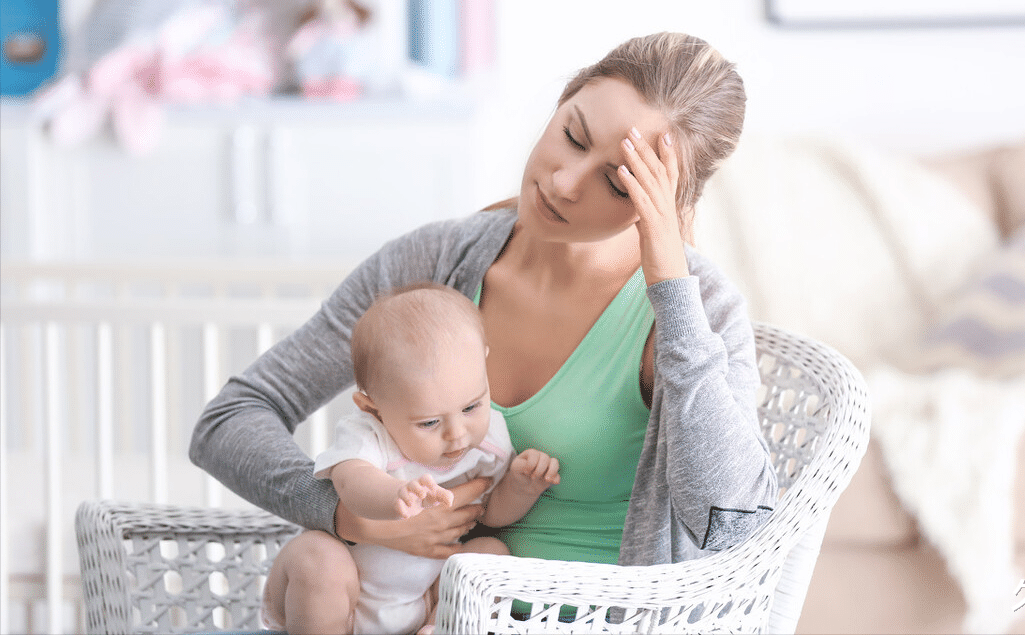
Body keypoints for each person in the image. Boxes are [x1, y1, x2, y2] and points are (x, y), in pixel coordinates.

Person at [190, 31, 778, 633]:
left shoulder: (694, 309)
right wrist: (346, 516)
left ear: (661, 200)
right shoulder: (437, 261)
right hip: (416, 612)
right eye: (572, 135)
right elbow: (231, 417)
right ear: (560, 103)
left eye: (619, 182)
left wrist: (670, 284)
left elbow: (731, 521)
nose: (564, 182)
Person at [261, 283, 560, 634]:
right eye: (429, 422)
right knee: (317, 555)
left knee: (490, 552)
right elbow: (350, 480)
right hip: (344, 597)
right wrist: (394, 496)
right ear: (375, 409)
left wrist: (521, 486)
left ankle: (438, 626)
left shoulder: (489, 436)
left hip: (421, 599)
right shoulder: (369, 433)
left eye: (471, 406)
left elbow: (489, 512)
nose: (457, 433)